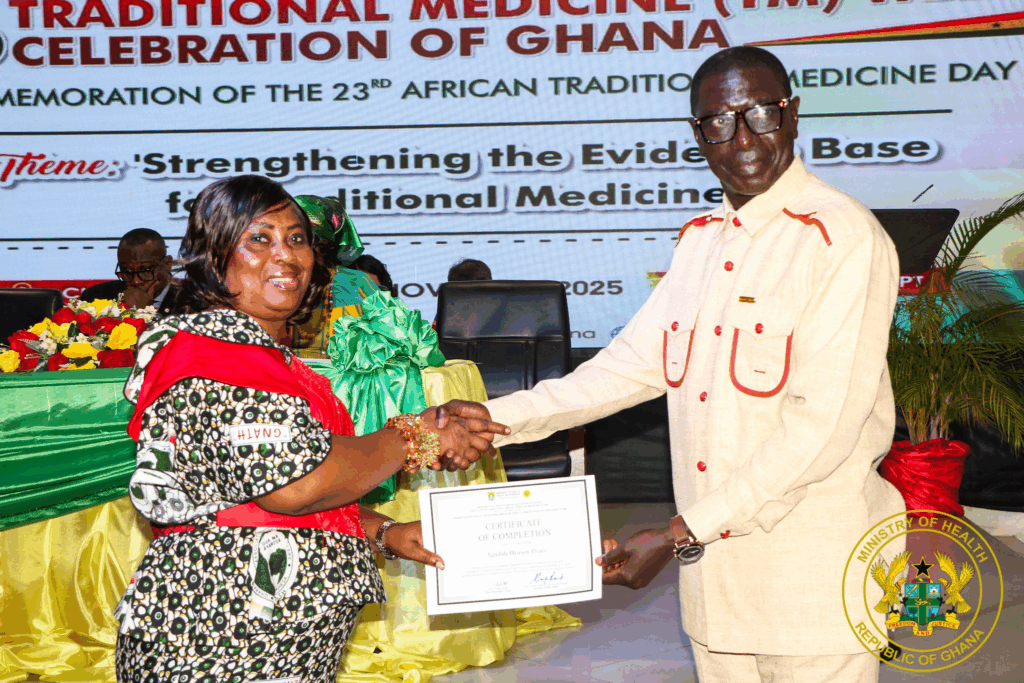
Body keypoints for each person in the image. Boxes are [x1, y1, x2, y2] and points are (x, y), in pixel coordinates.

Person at [480, 46, 904, 683]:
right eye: (718, 122)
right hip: (717, 594)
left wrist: (680, 532)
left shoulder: (841, 237)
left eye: (759, 114)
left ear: (791, 115)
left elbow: (820, 431)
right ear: (697, 135)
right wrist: (485, 420)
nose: (742, 138)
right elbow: (622, 369)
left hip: (812, 585)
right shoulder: (702, 242)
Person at [114, 175, 508, 683]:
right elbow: (294, 486)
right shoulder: (218, 356)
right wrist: (419, 435)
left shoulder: (248, 353)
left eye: (296, 238)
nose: (287, 256)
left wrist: (385, 533)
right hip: (222, 639)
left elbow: (259, 490)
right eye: (260, 238)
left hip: (264, 637)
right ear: (213, 257)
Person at [80, 228, 178, 312]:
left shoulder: (188, 302)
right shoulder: (95, 298)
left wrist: (139, 312)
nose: (136, 281)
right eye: (127, 271)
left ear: (167, 264)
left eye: (144, 271)